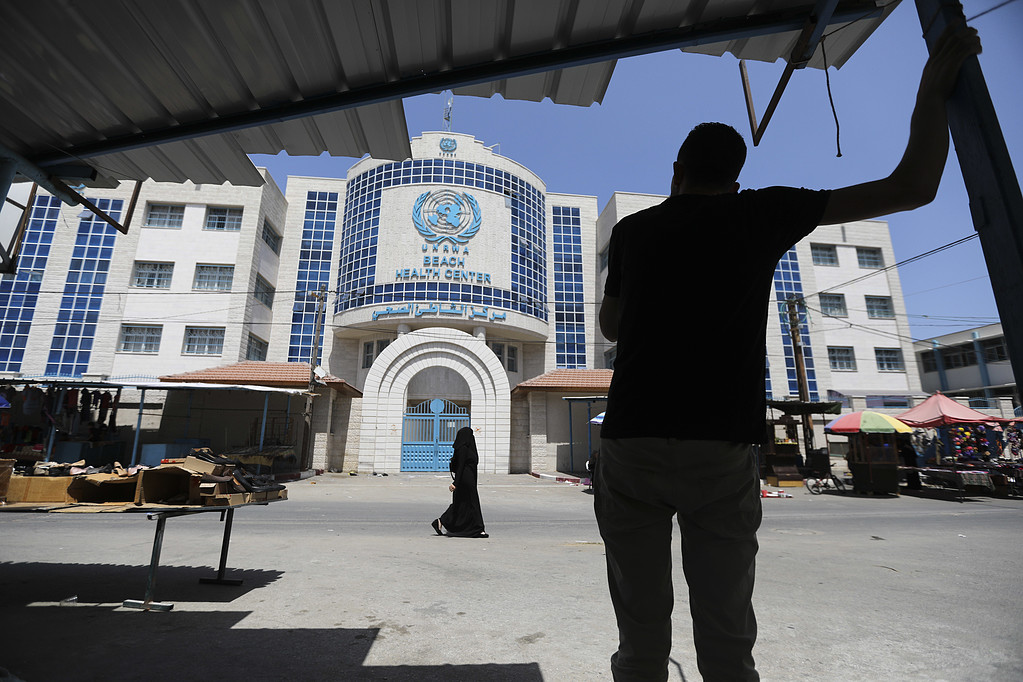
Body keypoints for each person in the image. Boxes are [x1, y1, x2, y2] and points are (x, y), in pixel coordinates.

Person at [595, 25, 980, 682]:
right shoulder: (763, 213)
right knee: (724, 632)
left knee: (640, 633)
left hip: (633, 439)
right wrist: (932, 88)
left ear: (677, 173)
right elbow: (913, 187)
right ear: (735, 178)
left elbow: (611, 327)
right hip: (719, 446)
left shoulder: (634, 230)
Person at [432, 427, 488, 538]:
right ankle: (478, 529)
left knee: (460, 503)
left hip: (468, 478)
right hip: (465, 480)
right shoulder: (463, 448)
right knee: (473, 503)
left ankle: (440, 521)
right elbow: (461, 466)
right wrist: (455, 483)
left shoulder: (467, 447)